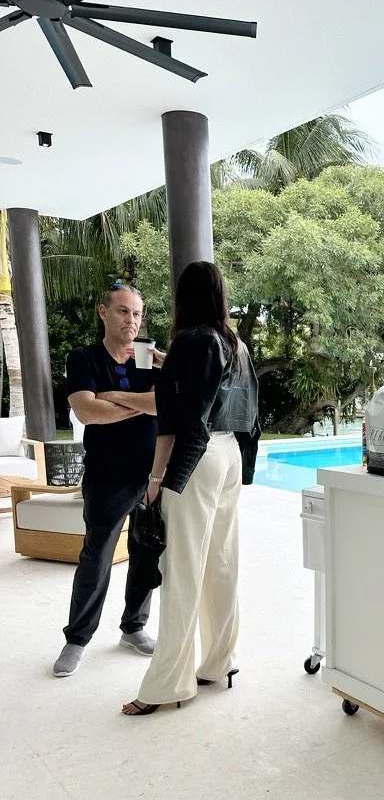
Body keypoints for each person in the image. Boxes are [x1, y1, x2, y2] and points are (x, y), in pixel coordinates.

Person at [122, 261, 260, 716]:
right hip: (228, 456)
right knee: (221, 561)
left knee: (181, 568)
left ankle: (167, 684)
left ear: (184, 296)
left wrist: (156, 479)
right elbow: (226, 402)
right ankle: (219, 663)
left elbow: (177, 420)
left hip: (194, 458)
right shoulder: (233, 343)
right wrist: (170, 366)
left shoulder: (191, 341)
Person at [52, 284, 163, 677]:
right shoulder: (83, 357)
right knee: (96, 558)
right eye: (122, 312)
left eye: (136, 314)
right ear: (103, 311)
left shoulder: (148, 358)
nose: (131, 321)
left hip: (151, 476)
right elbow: (87, 412)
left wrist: (114, 397)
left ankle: (133, 627)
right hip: (107, 478)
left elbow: (165, 403)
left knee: (146, 553)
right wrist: (141, 406)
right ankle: (77, 639)